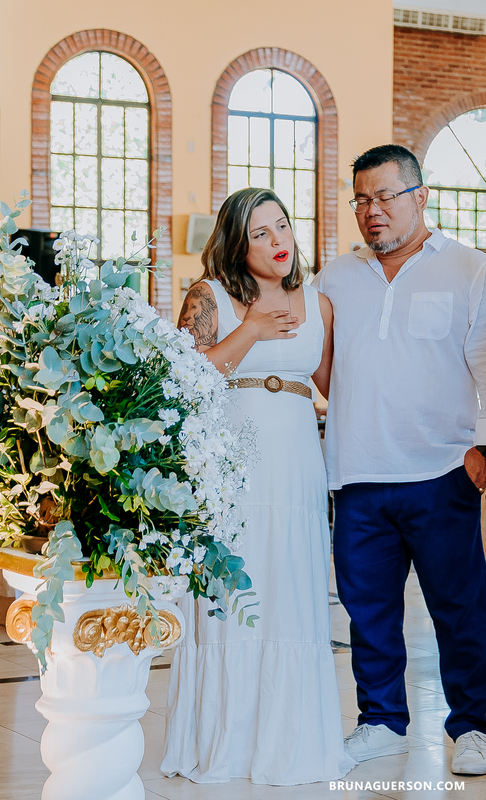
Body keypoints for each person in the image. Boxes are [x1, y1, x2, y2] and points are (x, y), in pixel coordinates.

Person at [312, 145, 486, 776]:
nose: (372, 213)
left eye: (385, 197)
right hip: (356, 470)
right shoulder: (336, 277)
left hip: (441, 470)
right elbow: (325, 368)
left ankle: (470, 727)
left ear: (419, 196)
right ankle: (381, 721)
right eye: (361, 200)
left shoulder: (469, 269)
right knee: (367, 608)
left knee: (458, 607)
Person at [160, 187, 352, 785]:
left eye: (283, 227)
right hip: (230, 459)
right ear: (236, 244)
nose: (278, 242)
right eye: (261, 233)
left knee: (289, 586)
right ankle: (225, 743)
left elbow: (335, 385)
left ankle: (290, 741)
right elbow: (183, 381)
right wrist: (250, 327)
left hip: (296, 458)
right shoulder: (209, 296)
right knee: (232, 585)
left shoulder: (319, 301)